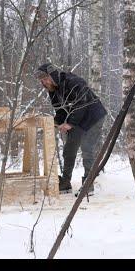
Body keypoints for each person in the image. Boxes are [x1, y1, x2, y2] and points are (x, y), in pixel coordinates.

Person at [35, 63, 107, 196]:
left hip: (93, 117)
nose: (43, 82)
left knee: (87, 148)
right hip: (78, 120)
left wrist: (70, 123)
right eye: (42, 80)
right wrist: (55, 122)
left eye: (45, 78)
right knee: (69, 149)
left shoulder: (73, 82)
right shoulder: (53, 91)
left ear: (52, 75)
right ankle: (66, 182)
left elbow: (82, 103)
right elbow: (61, 111)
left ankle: (88, 185)